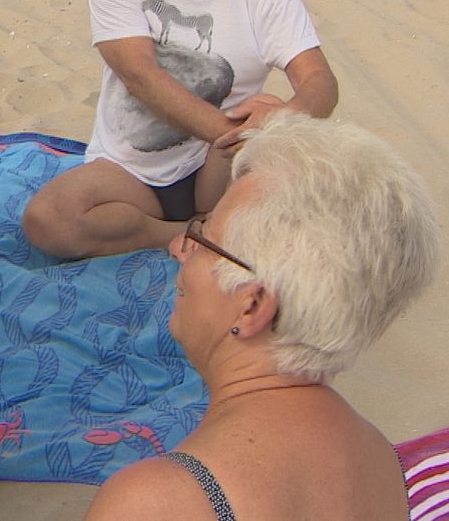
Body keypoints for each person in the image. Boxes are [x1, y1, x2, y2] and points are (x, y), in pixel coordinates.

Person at [84, 112, 442, 520]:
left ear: (253, 305)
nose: (180, 249)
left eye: (203, 238)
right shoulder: (380, 456)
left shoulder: (161, 503)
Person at [23, 0, 338, 259]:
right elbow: (140, 76)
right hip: (133, 170)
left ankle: (220, 219)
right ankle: (186, 231)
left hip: (225, 167)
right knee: (48, 221)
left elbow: (319, 80)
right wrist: (235, 132)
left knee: (278, 125)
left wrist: (281, 119)